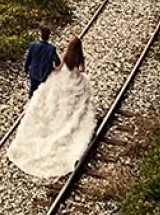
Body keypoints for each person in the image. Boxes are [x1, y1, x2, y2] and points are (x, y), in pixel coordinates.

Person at [6, 37, 97, 178]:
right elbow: (82, 70)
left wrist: (54, 69)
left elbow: (58, 67)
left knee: (54, 104)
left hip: (63, 80)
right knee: (77, 104)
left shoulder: (66, 55)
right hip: (75, 82)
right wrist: (79, 68)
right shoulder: (79, 58)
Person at [23, 26, 60, 97]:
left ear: (41, 35)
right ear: (49, 36)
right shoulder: (51, 49)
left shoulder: (33, 45)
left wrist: (26, 68)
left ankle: (30, 104)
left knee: (32, 90)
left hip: (33, 73)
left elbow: (28, 58)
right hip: (45, 75)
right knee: (43, 94)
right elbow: (57, 62)